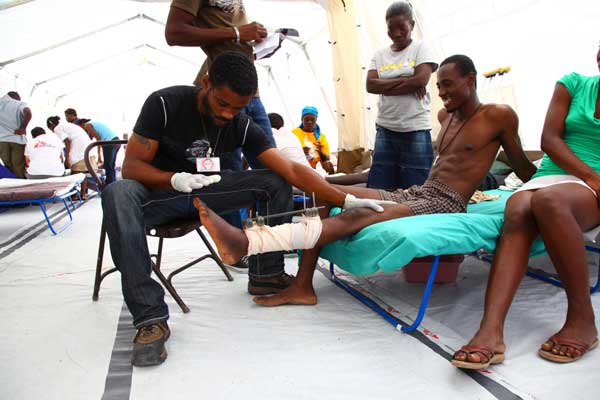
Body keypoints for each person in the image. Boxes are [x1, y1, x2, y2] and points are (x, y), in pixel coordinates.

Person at [101, 51, 388, 367]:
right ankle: (150, 318)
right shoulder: (166, 104)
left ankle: (266, 274)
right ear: (207, 83)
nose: (227, 115)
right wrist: (173, 178)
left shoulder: (239, 122)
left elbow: (291, 171)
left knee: (275, 181)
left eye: (237, 108)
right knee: (118, 192)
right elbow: (131, 167)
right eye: (222, 104)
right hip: (158, 195)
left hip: (205, 191)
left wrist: (342, 199)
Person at [194, 54, 537, 309]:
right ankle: (303, 286)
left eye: (448, 84)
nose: (442, 92)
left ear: (472, 80)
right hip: (420, 191)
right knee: (328, 192)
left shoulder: (497, 116)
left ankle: (250, 243)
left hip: (445, 201)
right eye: (439, 86)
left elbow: (521, 164)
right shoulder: (446, 117)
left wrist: (544, 184)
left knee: (359, 213)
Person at [451, 47, 600, 370]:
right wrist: (586, 175)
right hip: (555, 174)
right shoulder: (573, 84)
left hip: (594, 185)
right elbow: (549, 140)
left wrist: (592, 179)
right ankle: (490, 330)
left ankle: (582, 319)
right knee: (518, 205)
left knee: (549, 201)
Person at [165, 0, 276, 170]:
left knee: (272, 170)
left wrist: (258, 48)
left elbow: (227, 46)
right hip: (223, 96)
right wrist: (236, 33)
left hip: (250, 96)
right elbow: (174, 32)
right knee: (226, 175)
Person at [366, 1, 438, 191]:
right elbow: (370, 85)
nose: (397, 33)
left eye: (402, 27)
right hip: (386, 128)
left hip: (415, 128)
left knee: (417, 187)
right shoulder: (379, 55)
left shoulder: (421, 49)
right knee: (380, 187)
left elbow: (421, 80)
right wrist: (406, 79)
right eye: (391, 28)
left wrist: (386, 85)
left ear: (412, 25)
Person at [46, 116, 95, 197]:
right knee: (81, 173)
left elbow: (67, 142)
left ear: (51, 126)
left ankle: (75, 195)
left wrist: (67, 158)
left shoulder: (57, 128)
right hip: (86, 148)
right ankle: (83, 194)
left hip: (79, 149)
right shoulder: (67, 126)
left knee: (75, 173)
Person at [292, 106, 334, 174]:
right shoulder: (294, 133)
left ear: (316, 120)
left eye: (312, 120)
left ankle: (330, 181)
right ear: (302, 119)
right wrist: (301, 151)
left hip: (318, 165)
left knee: (328, 164)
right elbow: (289, 151)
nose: (309, 122)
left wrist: (320, 151)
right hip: (301, 164)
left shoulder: (321, 137)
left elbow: (327, 158)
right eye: (306, 119)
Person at [77, 118, 120, 184]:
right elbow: (93, 137)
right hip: (117, 141)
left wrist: (99, 155)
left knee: (107, 165)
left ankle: (109, 184)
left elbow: (98, 139)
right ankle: (113, 183)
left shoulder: (87, 125)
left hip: (109, 143)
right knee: (111, 165)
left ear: (81, 125)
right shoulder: (95, 124)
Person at [0, 91, 32, 178]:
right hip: (17, 140)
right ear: (16, 97)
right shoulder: (19, 104)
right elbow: (28, 112)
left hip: (2, 140)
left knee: (6, 165)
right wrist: (23, 128)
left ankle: (10, 186)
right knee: (18, 165)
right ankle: (20, 187)